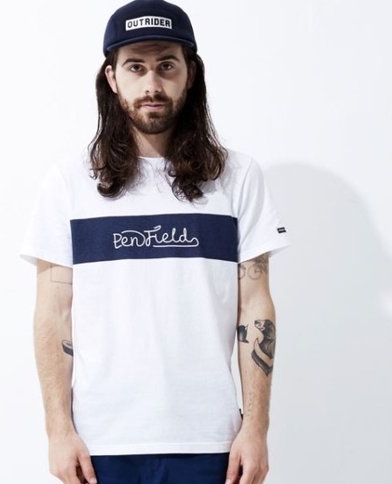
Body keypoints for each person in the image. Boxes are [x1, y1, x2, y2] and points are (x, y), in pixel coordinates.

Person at [19, 1, 290, 483]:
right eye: (135, 67)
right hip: (101, 444)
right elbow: (53, 313)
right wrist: (58, 431)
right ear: (112, 77)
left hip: (211, 441)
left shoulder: (237, 177)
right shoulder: (69, 183)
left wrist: (256, 429)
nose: (152, 85)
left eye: (166, 65)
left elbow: (255, 306)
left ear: (190, 74)